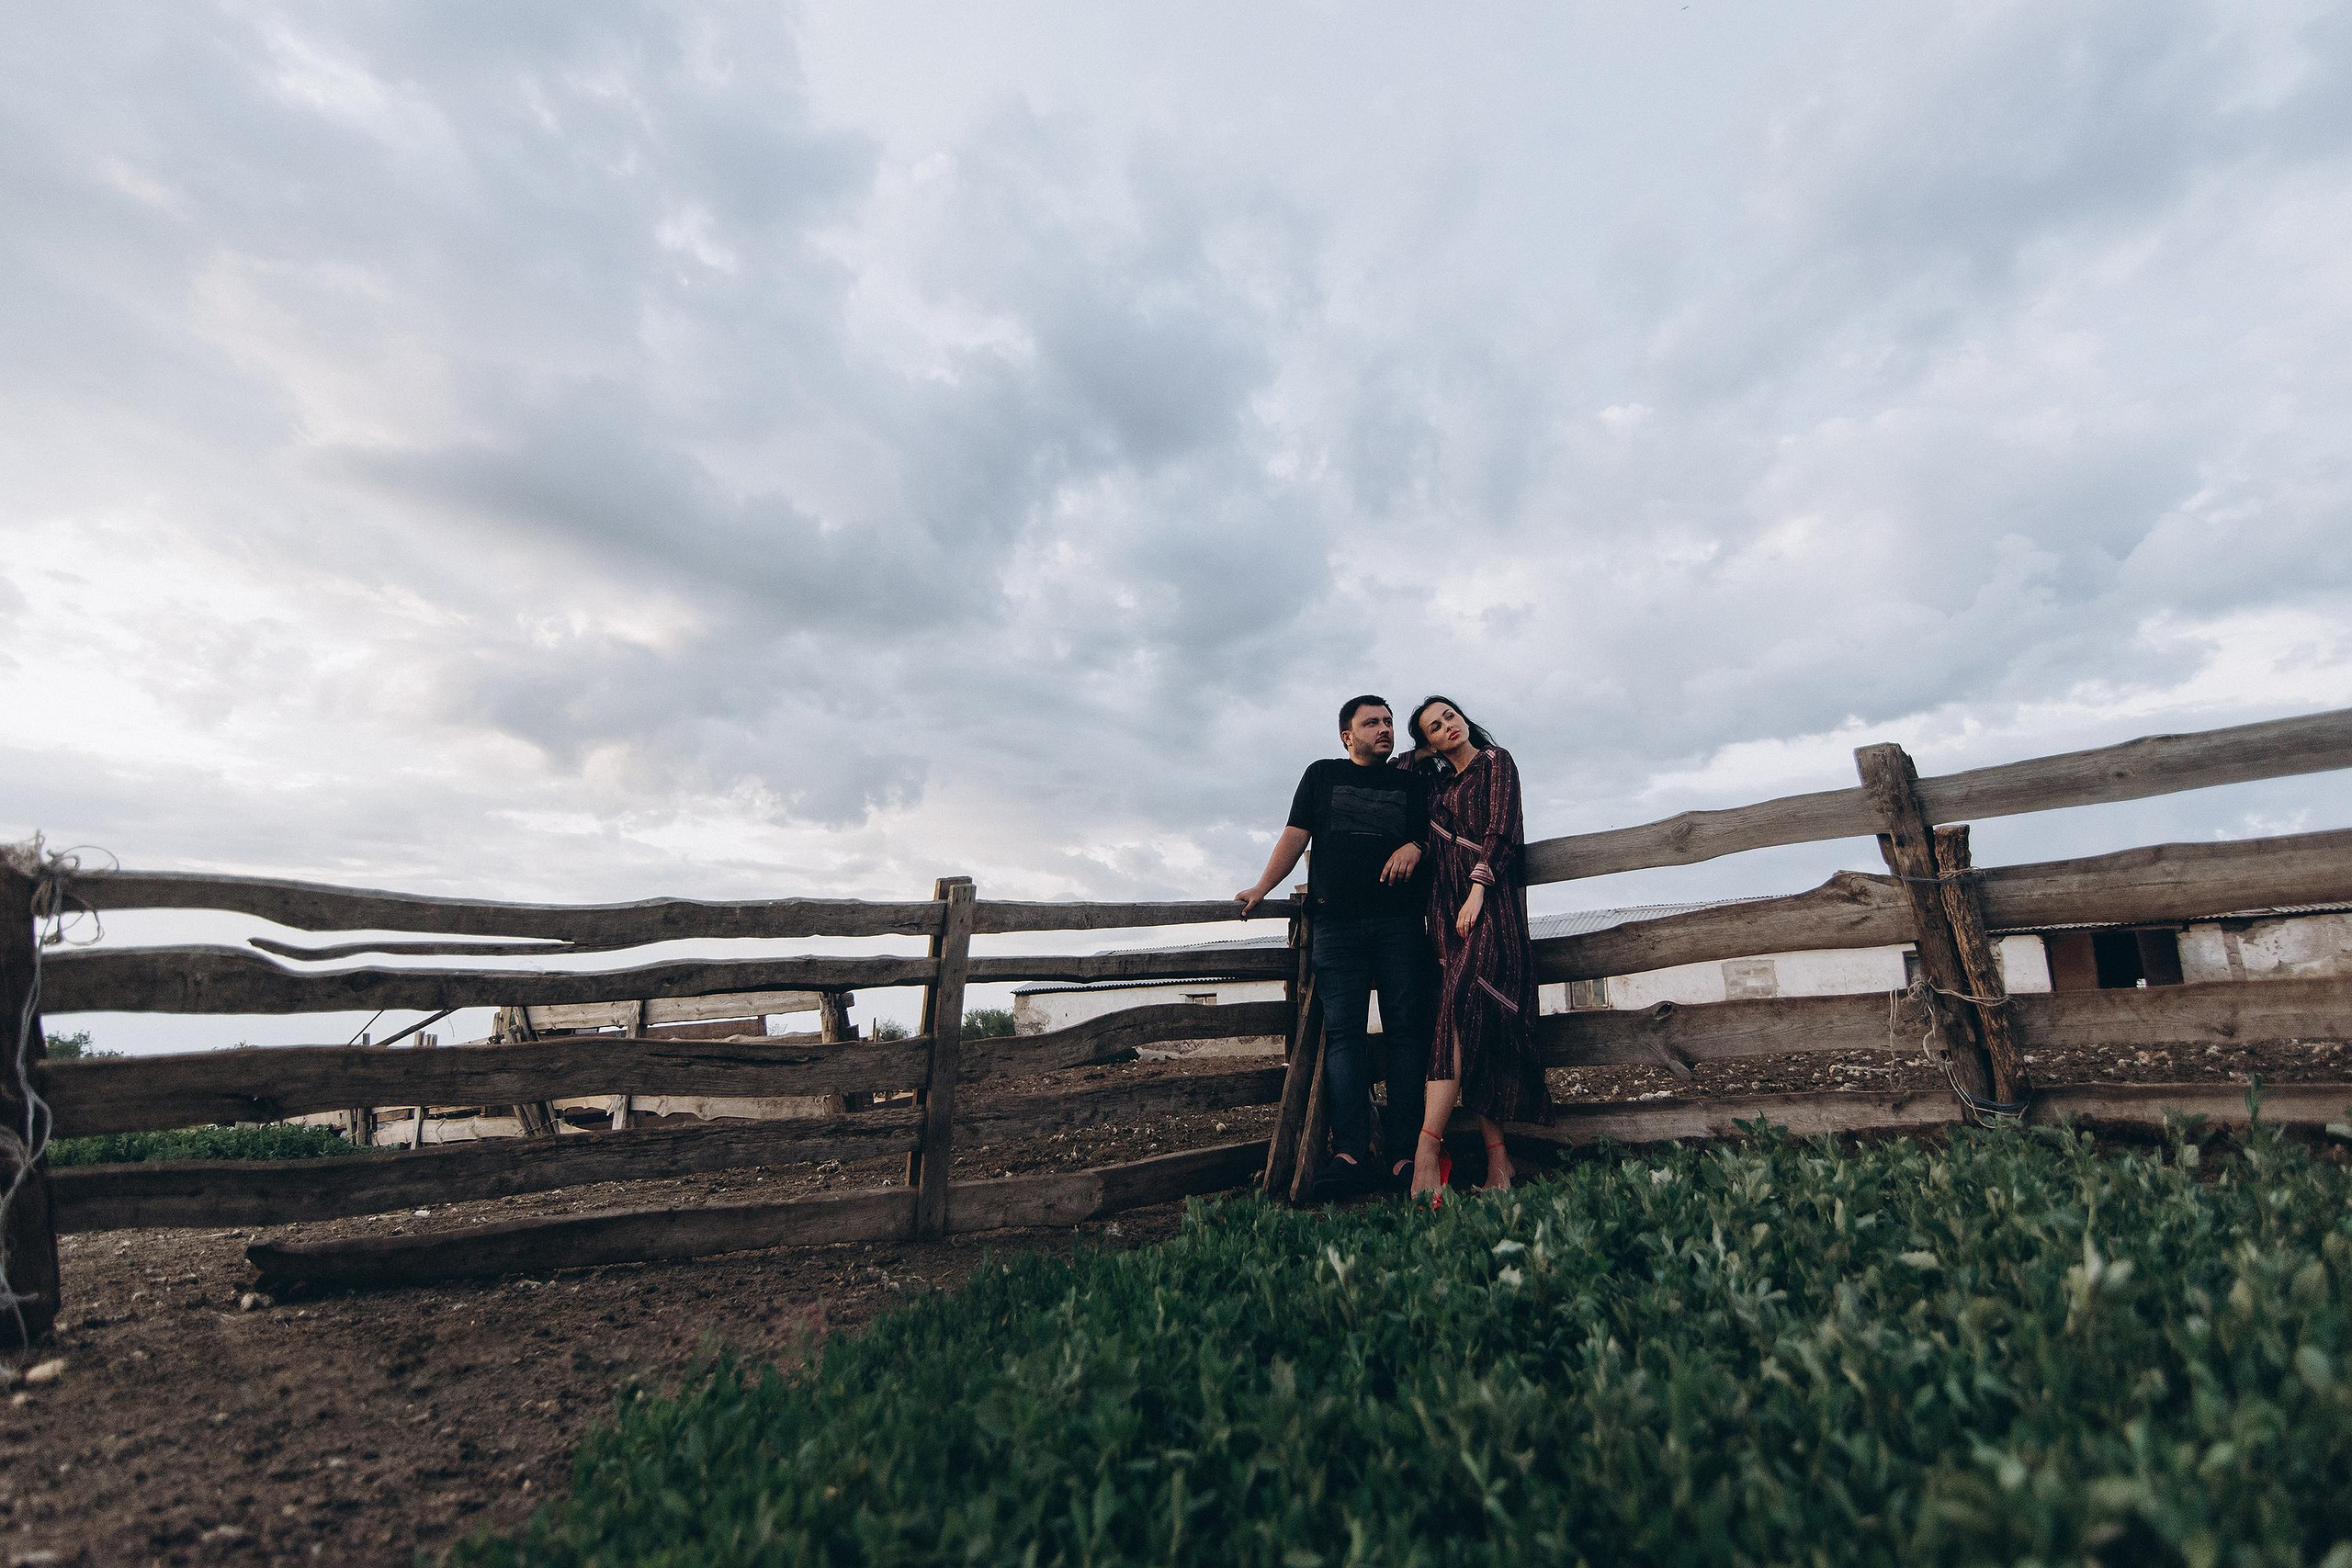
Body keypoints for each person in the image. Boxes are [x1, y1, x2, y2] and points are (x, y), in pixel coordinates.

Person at [1236, 695, 1433, 1196]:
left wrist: (1418, 845)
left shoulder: (1410, 781)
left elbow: (1433, 836)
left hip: (1400, 925)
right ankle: (1350, 1153)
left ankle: (1405, 1157)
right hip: (1337, 926)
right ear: (1347, 736)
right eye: (1372, 723)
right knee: (1343, 1036)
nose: (1385, 729)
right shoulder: (1321, 775)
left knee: (1407, 1034)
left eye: (1389, 722)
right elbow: (1296, 836)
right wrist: (1262, 887)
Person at [1405, 695, 1553, 1199]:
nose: (1447, 725)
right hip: (1445, 913)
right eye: (1433, 727)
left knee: (1459, 1006)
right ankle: (1499, 1164)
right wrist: (1425, 757)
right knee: (1471, 1023)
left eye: (1449, 715)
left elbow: (1502, 829)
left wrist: (1478, 890)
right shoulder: (1437, 782)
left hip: (1488, 906)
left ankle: (1428, 1148)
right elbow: (1399, 765)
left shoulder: (1497, 762)